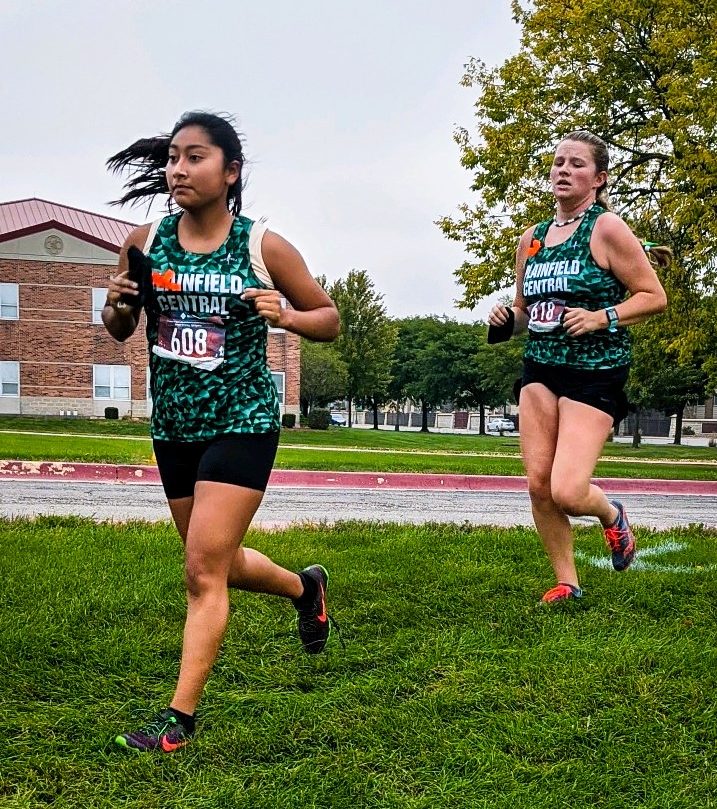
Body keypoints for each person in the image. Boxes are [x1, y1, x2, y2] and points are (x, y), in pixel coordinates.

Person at [102, 111, 340, 752]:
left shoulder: (261, 245)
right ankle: (304, 587)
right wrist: (118, 304)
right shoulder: (145, 239)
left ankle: (178, 721)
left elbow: (329, 318)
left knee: (202, 568)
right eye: (174, 157)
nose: (179, 168)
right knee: (219, 560)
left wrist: (285, 314)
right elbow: (120, 327)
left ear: (230, 172)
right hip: (176, 422)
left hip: (242, 420)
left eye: (196, 157)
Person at [488, 130, 668, 604]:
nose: (564, 170)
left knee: (568, 490)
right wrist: (509, 318)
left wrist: (600, 317)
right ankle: (567, 582)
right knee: (538, 484)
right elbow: (529, 313)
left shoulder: (607, 229)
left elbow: (654, 297)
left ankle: (611, 516)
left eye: (577, 164)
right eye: (558, 162)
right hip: (541, 367)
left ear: (599, 178)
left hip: (596, 371)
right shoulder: (532, 238)